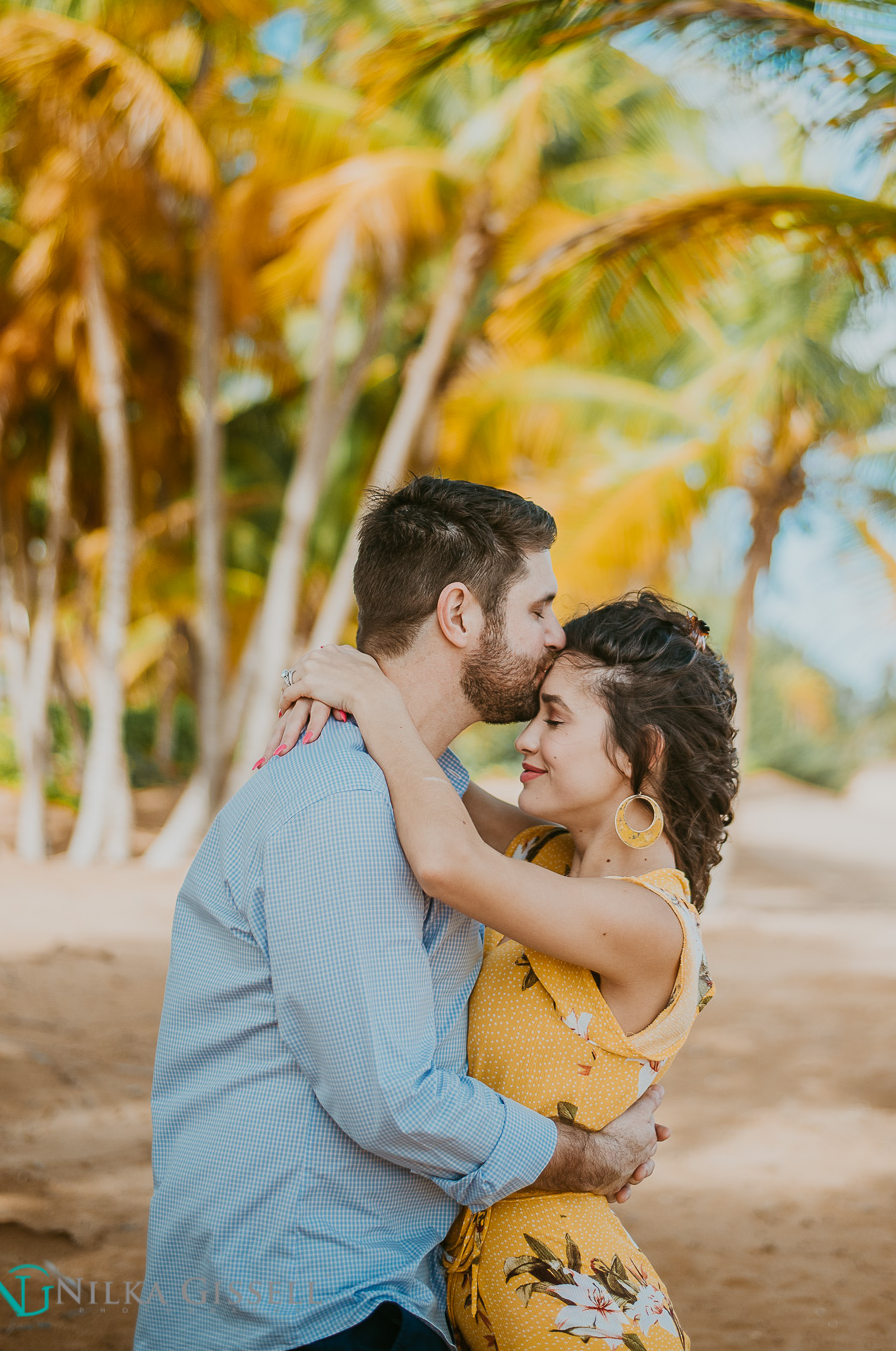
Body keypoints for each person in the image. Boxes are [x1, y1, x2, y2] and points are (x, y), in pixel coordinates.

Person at [135, 478, 667, 1351]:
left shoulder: (415, 788)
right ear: (460, 615)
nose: (555, 633)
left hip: (367, 1294)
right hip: (299, 1315)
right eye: (539, 607)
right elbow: (391, 1100)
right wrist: (596, 1156)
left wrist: (363, 693)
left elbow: (519, 832)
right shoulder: (345, 804)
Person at [273, 590, 738, 1351]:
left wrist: (368, 695)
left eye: (555, 719)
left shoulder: (647, 921)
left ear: (644, 753)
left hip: (578, 1319)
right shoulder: (544, 855)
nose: (527, 738)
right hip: (476, 1306)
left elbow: (445, 859)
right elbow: (432, 783)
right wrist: (343, 674)